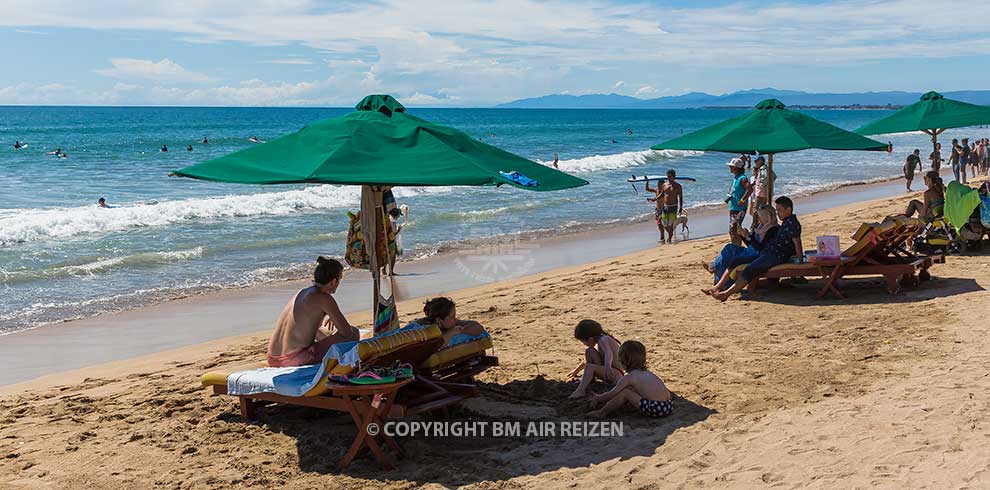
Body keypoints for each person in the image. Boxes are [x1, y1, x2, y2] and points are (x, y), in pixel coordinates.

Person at [266, 257, 359, 367]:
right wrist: (334, 317)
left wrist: (330, 315)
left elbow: (307, 327)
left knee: (323, 333)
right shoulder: (324, 298)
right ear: (334, 281)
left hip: (272, 358)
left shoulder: (303, 292)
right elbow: (346, 333)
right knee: (353, 333)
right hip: (293, 359)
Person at [712, 196, 802, 302]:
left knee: (749, 269)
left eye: (780, 210)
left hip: (774, 255)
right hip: (768, 252)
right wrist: (745, 236)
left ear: (789, 209)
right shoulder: (785, 223)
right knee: (734, 254)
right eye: (777, 210)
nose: (778, 213)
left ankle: (725, 293)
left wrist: (800, 259)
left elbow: (797, 241)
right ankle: (718, 281)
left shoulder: (788, 224)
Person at [703, 204, 779, 292]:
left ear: (768, 217)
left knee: (732, 258)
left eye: (761, 216)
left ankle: (717, 276)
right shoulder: (761, 227)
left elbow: (761, 248)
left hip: (757, 255)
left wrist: (749, 237)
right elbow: (751, 243)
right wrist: (743, 236)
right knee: (729, 248)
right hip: (751, 250)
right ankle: (716, 273)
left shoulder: (773, 230)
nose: (759, 219)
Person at [588, 340, 672, 418]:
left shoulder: (629, 377)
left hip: (656, 408)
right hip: (668, 405)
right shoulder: (648, 374)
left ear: (624, 362)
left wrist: (598, 398)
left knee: (626, 393)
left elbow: (611, 394)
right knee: (632, 389)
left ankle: (602, 412)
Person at [567, 319, 622, 399]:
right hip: (607, 370)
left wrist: (607, 366)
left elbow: (608, 353)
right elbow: (587, 361)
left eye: (584, 342)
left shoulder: (604, 339)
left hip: (614, 373)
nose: (584, 344)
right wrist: (576, 371)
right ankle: (589, 380)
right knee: (589, 351)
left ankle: (581, 390)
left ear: (590, 339)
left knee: (589, 367)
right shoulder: (600, 339)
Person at [414, 297, 485, 347]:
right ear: (439, 320)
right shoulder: (426, 328)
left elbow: (478, 327)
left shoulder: (449, 322)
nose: (454, 319)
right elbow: (435, 347)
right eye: (451, 317)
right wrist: (450, 333)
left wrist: (461, 330)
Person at [726, 158, 752, 246]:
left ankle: (736, 247)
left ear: (736, 168)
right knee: (734, 229)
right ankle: (737, 246)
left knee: (733, 229)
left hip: (740, 208)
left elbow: (749, 190)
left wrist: (742, 200)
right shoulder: (736, 178)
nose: (729, 168)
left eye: (731, 166)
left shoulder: (742, 179)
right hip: (733, 207)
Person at [656, 169, 683, 244]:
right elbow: (661, 194)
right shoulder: (664, 185)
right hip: (665, 206)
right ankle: (670, 234)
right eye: (667, 177)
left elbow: (680, 197)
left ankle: (669, 239)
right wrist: (654, 199)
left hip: (673, 206)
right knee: (664, 224)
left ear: (674, 177)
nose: (668, 178)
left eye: (670, 177)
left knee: (670, 224)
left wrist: (680, 208)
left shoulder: (678, 186)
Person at [749, 155, 771, 221]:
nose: (755, 162)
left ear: (761, 161)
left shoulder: (763, 169)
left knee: (756, 209)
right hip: (763, 193)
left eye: (756, 161)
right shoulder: (765, 168)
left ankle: (755, 224)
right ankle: (761, 223)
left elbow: (765, 178)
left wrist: (761, 185)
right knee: (761, 209)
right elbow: (774, 176)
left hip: (760, 193)